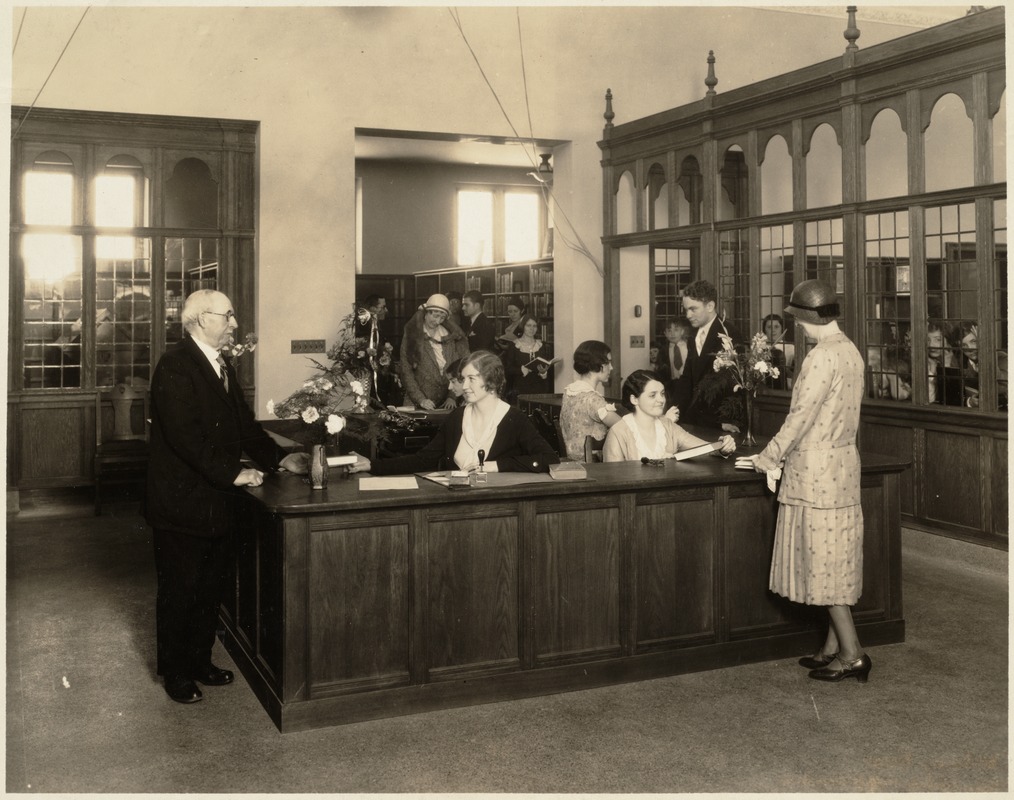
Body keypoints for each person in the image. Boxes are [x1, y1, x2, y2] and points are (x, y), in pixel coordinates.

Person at [146, 289, 308, 704]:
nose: (235, 324)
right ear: (200, 320)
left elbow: (245, 427)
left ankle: (199, 660)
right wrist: (234, 472)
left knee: (209, 587)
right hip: (181, 502)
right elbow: (186, 439)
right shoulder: (175, 365)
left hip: (214, 499)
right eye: (228, 316)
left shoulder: (220, 366)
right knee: (181, 590)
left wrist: (279, 459)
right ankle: (176, 673)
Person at [739, 279, 871, 683]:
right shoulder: (850, 350)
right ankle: (832, 646)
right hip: (844, 466)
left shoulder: (819, 358)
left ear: (801, 319)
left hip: (815, 473)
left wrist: (768, 455)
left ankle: (852, 654)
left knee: (823, 563)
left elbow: (800, 418)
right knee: (837, 557)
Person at [348, 350, 559, 475]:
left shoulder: (515, 419)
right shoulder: (457, 417)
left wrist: (496, 466)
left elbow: (549, 459)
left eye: (471, 379)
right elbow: (424, 460)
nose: (464, 386)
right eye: (462, 379)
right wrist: (371, 465)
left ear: (491, 381)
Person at [603, 370, 735, 462]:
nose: (661, 400)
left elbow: (705, 449)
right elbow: (613, 478)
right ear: (634, 399)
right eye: (652, 395)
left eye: (662, 393)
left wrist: (723, 447)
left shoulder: (668, 426)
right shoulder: (618, 432)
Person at [681, 279, 740, 429]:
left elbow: (731, 383)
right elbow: (687, 378)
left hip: (719, 421)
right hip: (694, 418)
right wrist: (674, 410)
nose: (688, 315)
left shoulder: (729, 333)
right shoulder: (693, 335)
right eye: (685, 309)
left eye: (693, 309)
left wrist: (725, 421)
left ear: (710, 306)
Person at [398, 293, 469, 410]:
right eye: (435, 316)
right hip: (416, 403)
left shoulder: (449, 336)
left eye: (442, 317)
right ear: (426, 313)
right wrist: (421, 399)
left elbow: (458, 367)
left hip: (445, 403)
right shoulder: (413, 336)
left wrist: (452, 396)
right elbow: (406, 372)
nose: (438, 321)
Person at [559, 340, 624, 461]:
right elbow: (623, 426)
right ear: (597, 364)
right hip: (592, 466)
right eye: (608, 362)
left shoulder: (569, 392)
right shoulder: (593, 399)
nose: (611, 367)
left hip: (572, 461)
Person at [502, 313, 554, 403]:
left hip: (539, 390)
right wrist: (521, 370)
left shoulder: (542, 346)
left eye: (534, 326)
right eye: (528, 325)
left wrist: (544, 372)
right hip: (520, 389)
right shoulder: (514, 345)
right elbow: (508, 369)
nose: (532, 329)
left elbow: (547, 369)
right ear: (523, 326)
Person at [654, 317, 693, 415]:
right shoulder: (663, 350)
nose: (672, 333)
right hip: (672, 386)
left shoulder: (690, 347)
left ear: (682, 331)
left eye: (676, 330)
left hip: (689, 385)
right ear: (665, 333)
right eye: (669, 330)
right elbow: (661, 370)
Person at [762, 312, 793, 390]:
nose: (773, 330)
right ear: (764, 330)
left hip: (783, 387)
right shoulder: (759, 347)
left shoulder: (790, 348)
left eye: (776, 327)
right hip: (763, 387)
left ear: (782, 328)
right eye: (769, 327)